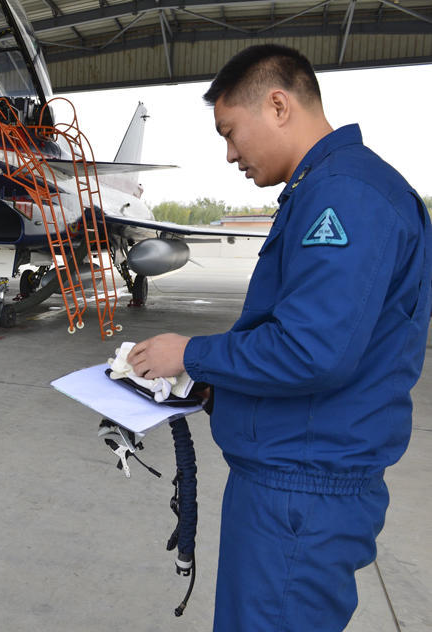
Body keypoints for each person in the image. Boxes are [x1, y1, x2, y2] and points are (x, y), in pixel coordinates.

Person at [127, 44, 432, 631]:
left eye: (231, 132)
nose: (229, 154)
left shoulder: (344, 195)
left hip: (300, 497)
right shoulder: (330, 188)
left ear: (277, 105)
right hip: (293, 482)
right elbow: (327, 344)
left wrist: (189, 354)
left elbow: (312, 351)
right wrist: (225, 389)